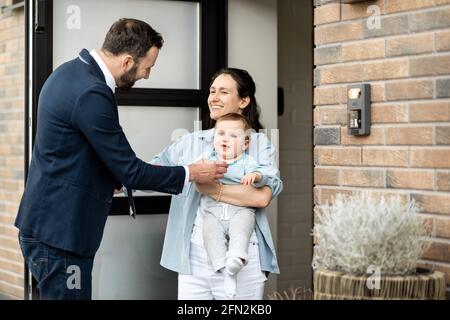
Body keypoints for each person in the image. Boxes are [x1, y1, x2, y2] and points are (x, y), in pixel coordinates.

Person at [15, 18, 227, 300]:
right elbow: (132, 172)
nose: (147, 76)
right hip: (61, 236)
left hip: (48, 227)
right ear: (128, 61)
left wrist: (111, 175)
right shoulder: (91, 91)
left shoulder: (70, 72)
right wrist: (192, 172)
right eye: (147, 67)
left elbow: (73, 151)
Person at [151, 68, 283, 300]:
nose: (214, 97)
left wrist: (214, 189)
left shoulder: (258, 144)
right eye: (212, 91)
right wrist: (119, 180)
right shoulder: (190, 142)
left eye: (223, 91)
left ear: (244, 101)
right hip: (195, 257)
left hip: (242, 256)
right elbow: (153, 171)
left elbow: (262, 197)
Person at [200, 113, 271, 299]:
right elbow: (196, 173)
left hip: (240, 210)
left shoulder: (246, 161)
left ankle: (236, 257)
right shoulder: (208, 159)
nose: (226, 139)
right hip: (213, 212)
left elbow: (264, 175)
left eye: (233, 136)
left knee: (242, 229)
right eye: (221, 133)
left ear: (245, 144)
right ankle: (223, 270)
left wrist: (254, 177)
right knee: (210, 234)